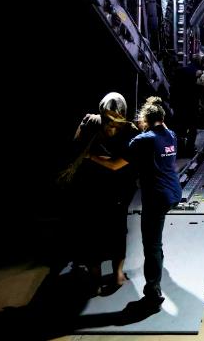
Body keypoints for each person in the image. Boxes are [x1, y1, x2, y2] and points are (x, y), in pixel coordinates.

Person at [68, 92, 139, 295]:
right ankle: (97, 279)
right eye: (108, 121)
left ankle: (117, 274)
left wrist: (92, 156)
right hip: (93, 188)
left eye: (116, 121)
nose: (112, 127)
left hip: (117, 190)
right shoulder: (91, 122)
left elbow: (122, 163)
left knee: (116, 231)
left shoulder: (130, 130)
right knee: (93, 233)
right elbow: (76, 146)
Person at [127, 102, 182, 311]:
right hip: (174, 193)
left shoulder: (143, 139)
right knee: (155, 242)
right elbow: (163, 130)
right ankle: (158, 268)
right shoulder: (171, 135)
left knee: (151, 244)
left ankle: (153, 291)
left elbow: (123, 157)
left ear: (145, 120)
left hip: (157, 197)